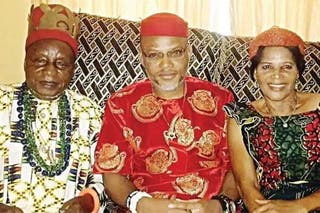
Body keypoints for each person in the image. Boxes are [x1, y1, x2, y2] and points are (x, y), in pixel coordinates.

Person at [93, 12, 238, 213]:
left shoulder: (221, 99)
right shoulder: (121, 104)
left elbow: (239, 166)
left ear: (189, 52)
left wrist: (220, 204)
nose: (166, 65)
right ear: (142, 58)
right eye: (154, 55)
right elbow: (112, 174)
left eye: (175, 53)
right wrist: (143, 204)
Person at [0, 3, 114, 213]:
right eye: (40, 61)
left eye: (61, 64)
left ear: (73, 68)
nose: (50, 72)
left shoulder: (89, 112)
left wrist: (87, 203)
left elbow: (104, 180)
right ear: (26, 62)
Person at [224, 26, 320, 213]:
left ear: (298, 72)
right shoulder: (240, 118)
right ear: (255, 73)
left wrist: (299, 207)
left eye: (286, 67)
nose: (277, 76)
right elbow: (246, 184)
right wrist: (262, 210)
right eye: (267, 67)